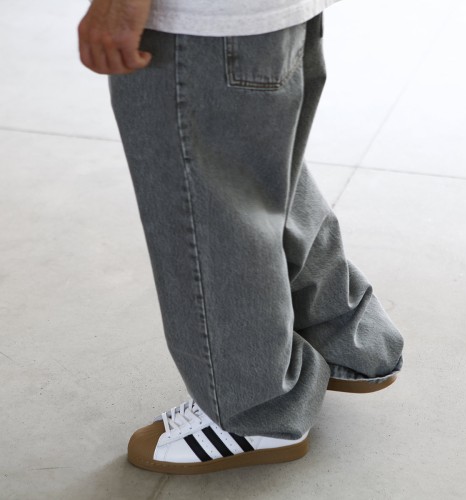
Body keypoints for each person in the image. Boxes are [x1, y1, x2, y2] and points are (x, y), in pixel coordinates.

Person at [78, 0, 404, 475]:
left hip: (198, 21)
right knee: (253, 174)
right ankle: (344, 337)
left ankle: (255, 411)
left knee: (204, 205)